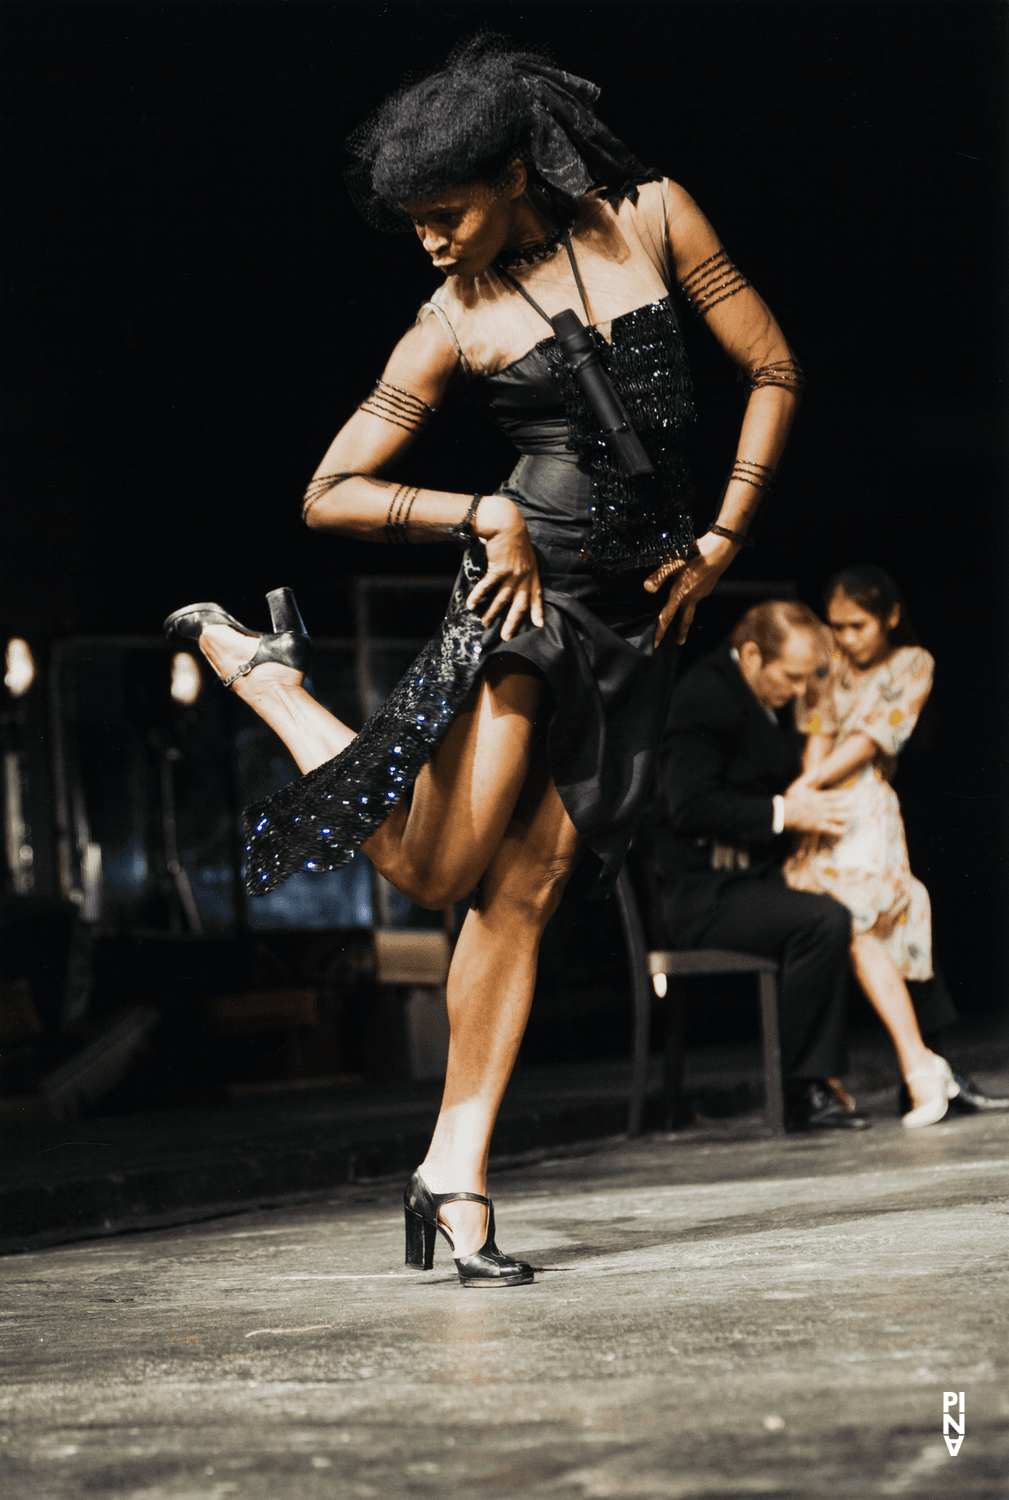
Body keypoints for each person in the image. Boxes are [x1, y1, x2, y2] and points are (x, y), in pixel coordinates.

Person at [164, 37, 804, 1284]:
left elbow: (774, 370)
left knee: (508, 890)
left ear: (518, 171)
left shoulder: (656, 218)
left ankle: (453, 1181)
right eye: (412, 222)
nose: (429, 240)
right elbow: (330, 491)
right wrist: (480, 513)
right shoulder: (450, 318)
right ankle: (273, 683)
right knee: (449, 874)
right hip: (526, 604)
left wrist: (722, 538)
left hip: (641, 616)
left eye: (446, 213)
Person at [784, 565, 1007, 1124]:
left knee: (889, 918)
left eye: (857, 625)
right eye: (835, 626)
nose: (845, 637)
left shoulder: (912, 663)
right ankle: (923, 1068)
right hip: (822, 809)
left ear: (890, 617)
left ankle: (925, 1068)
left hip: (866, 806)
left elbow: (872, 737)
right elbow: (818, 729)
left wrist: (810, 784)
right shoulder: (827, 663)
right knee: (860, 924)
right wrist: (808, 797)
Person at [650, 599, 874, 1129]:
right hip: (703, 892)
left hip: (750, 875)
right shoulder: (706, 696)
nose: (800, 691)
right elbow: (688, 804)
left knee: (871, 900)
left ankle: (927, 1065)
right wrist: (783, 813)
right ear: (751, 655)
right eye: (791, 677)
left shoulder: (761, 699)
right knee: (823, 920)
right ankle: (803, 1088)